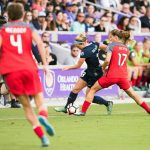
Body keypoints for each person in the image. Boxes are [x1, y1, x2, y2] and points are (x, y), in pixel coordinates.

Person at [0, 3, 55, 146]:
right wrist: (45, 65)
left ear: (8, 14)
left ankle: (43, 137)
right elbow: (40, 44)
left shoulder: (2, 30)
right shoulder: (28, 27)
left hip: (11, 71)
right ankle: (43, 116)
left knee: (27, 107)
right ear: (22, 13)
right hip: (28, 67)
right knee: (39, 100)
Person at [75, 29, 150, 116]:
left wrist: (103, 68)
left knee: (92, 90)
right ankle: (148, 109)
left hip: (112, 76)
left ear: (116, 37)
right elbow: (118, 62)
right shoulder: (126, 48)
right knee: (133, 94)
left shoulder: (112, 46)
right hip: (123, 76)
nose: (110, 39)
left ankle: (83, 111)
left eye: (111, 37)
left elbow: (107, 60)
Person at [54, 33, 113, 115]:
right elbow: (108, 48)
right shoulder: (94, 44)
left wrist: (68, 67)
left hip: (96, 74)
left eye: (79, 46)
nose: (78, 47)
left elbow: (78, 66)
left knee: (89, 96)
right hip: (89, 71)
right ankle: (66, 107)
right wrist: (108, 56)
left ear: (84, 42)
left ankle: (107, 103)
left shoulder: (85, 52)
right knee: (75, 89)